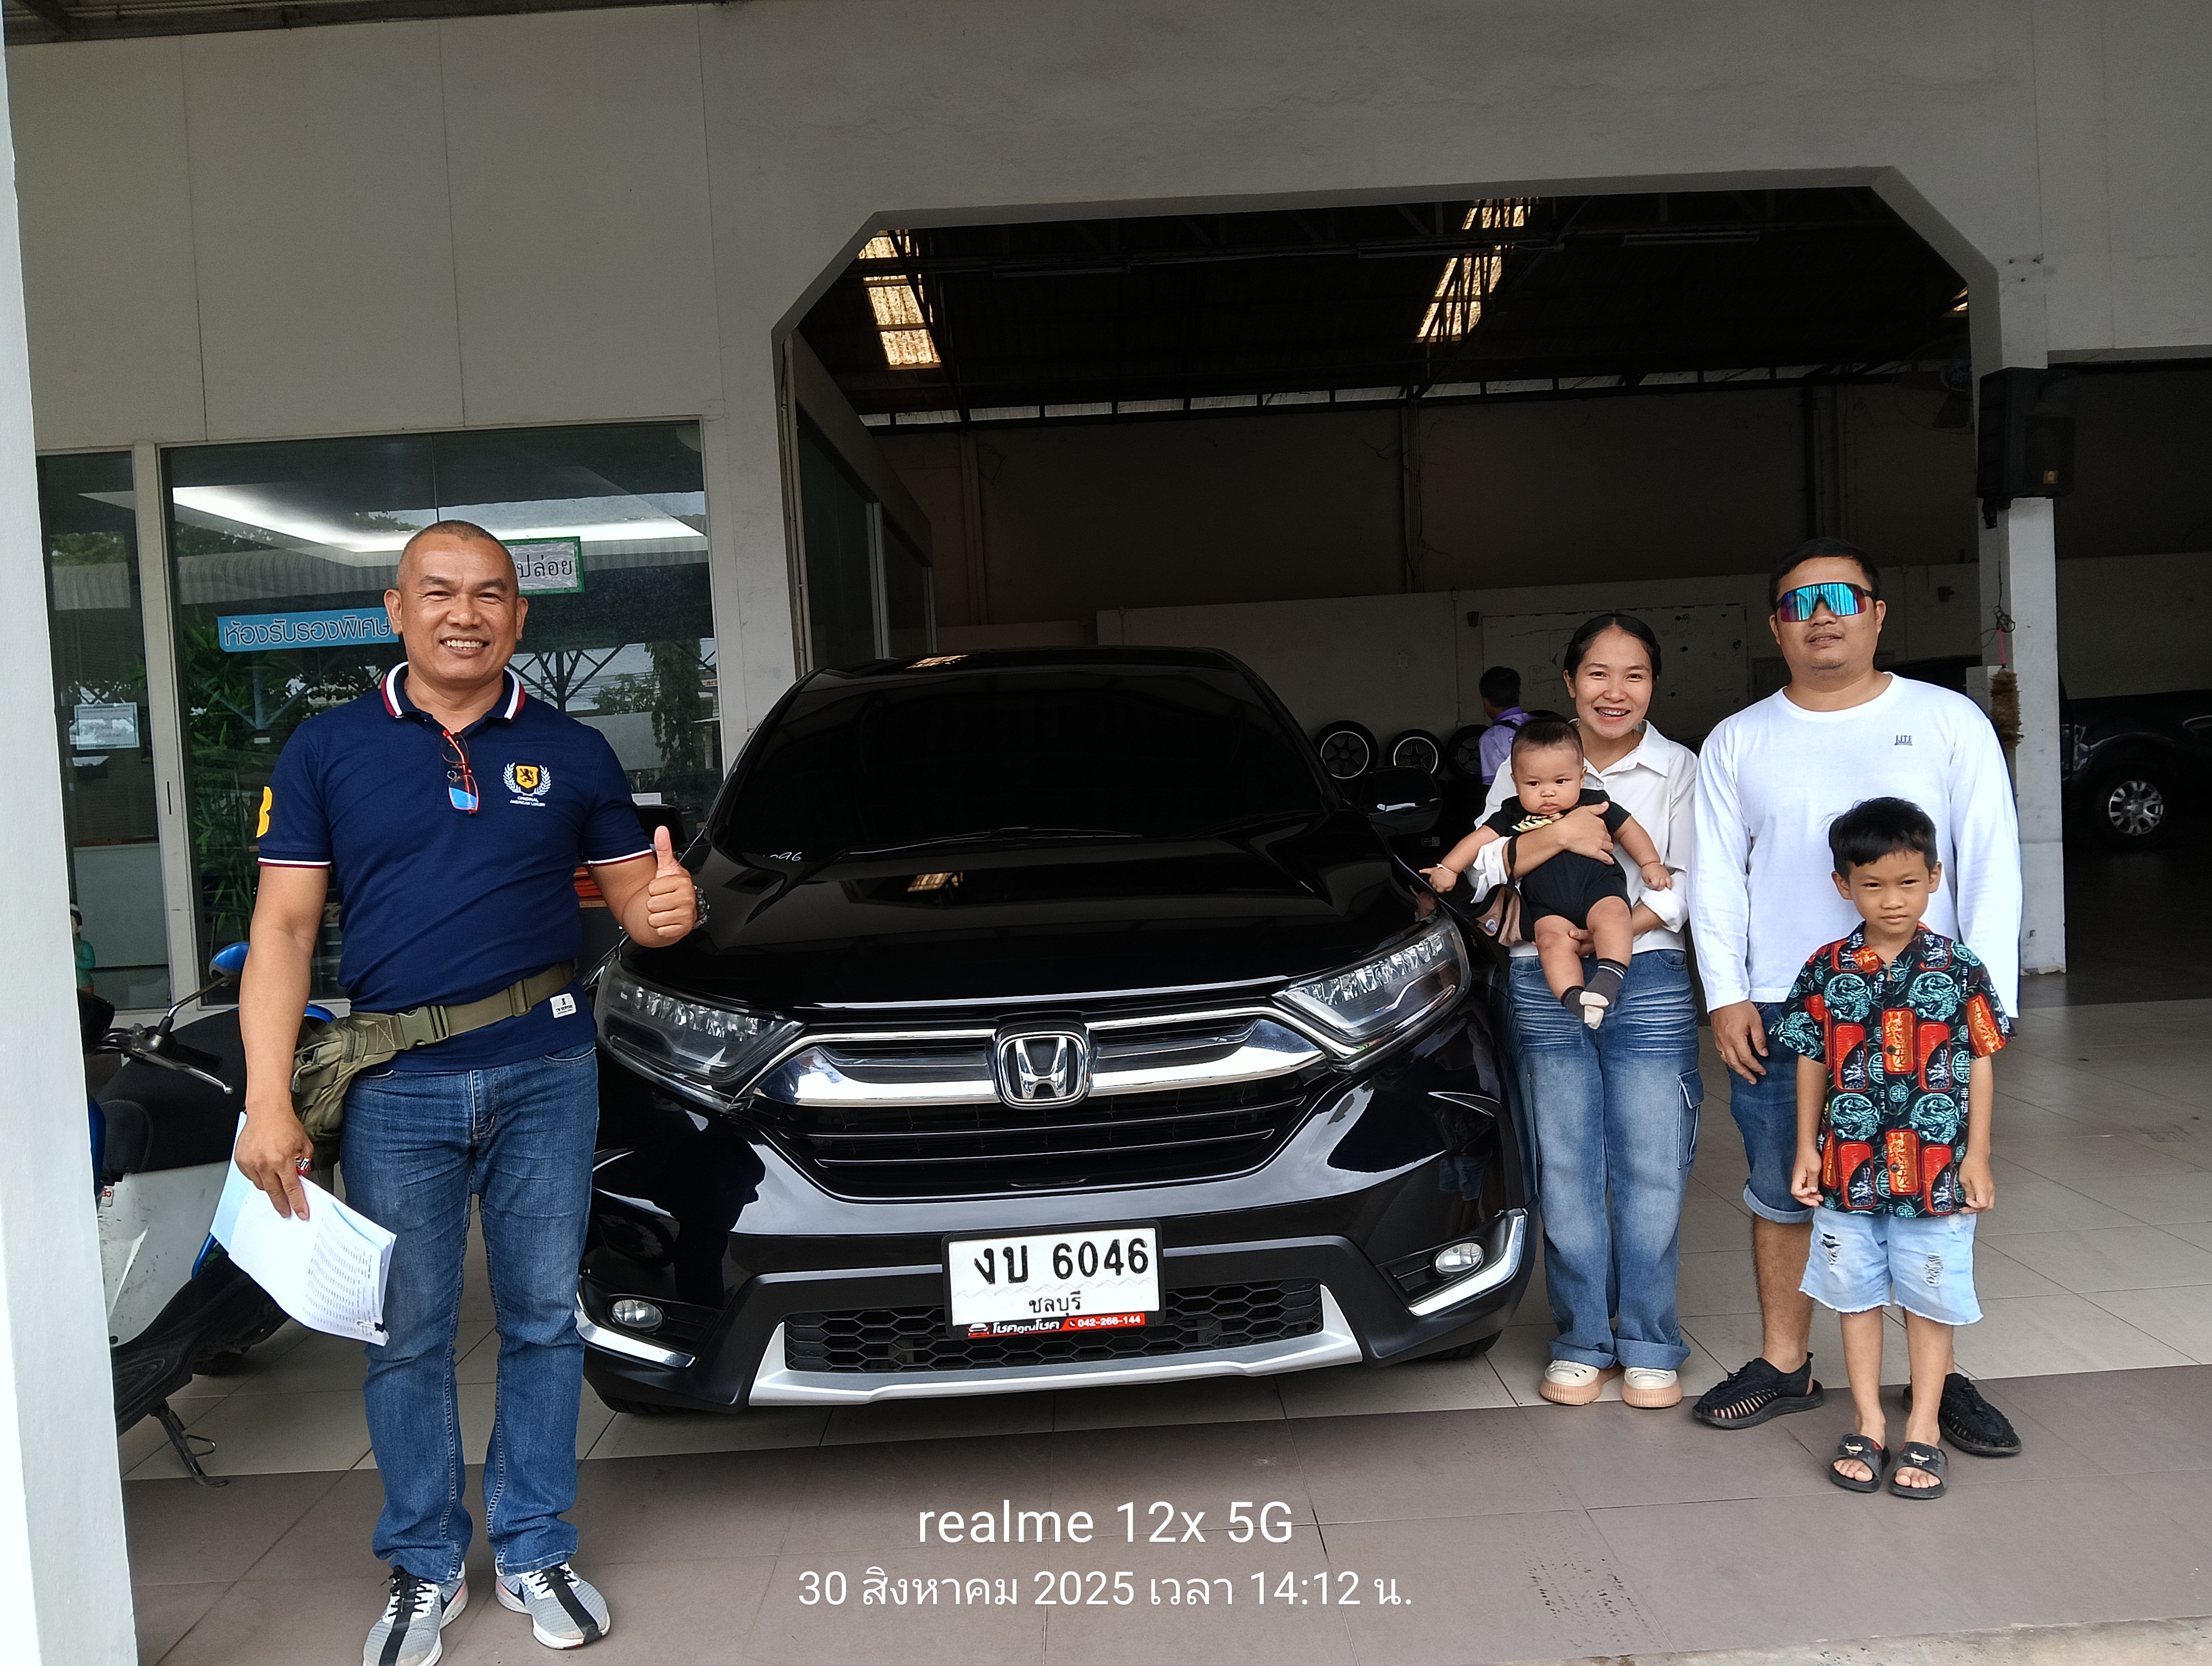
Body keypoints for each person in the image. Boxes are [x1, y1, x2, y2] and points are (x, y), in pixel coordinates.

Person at [232, 521, 699, 1666]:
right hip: (397, 1085)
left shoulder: (574, 750)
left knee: (541, 1318)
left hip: (549, 1074)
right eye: (438, 592)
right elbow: (283, 930)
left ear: (519, 617)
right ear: (397, 610)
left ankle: (535, 1545)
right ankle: (425, 1563)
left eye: (490, 594)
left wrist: (665, 911)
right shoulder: (328, 750)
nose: (465, 613)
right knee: (409, 1335)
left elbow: (636, 907)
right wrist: (267, 1098)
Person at [1689, 537, 2023, 1454]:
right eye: (1799, 603)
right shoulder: (1738, 739)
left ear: (1877, 613)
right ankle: (1784, 1362)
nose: (1821, 616)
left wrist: (1988, 1003)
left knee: (1931, 1191)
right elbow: (1715, 878)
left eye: (1841, 597)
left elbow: (1989, 859)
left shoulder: (1948, 720)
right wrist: (1726, 993)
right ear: (1776, 627)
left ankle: (1935, 1383)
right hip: (1785, 1009)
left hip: (1928, 1008)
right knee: (1784, 1185)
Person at [1439, 614, 1701, 1407]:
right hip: (1540, 975)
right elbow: (1485, 869)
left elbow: (1687, 880)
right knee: (1567, 1163)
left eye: (1634, 675)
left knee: (1651, 1163)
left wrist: (1612, 932)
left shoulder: (1677, 768)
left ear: (1654, 684)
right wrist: (1561, 836)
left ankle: (1649, 1339)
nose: (1615, 692)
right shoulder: (1526, 763)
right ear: (1570, 681)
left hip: (1646, 974)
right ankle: (1584, 1337)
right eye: (1598, 674)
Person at [1776, 797, 2008, 1499]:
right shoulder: (1828, 967)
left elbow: (1980, 1060)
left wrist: (1977, 1155)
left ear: (1934, 877)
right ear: (1843, 884)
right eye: (1873, 885)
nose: (1893, 900)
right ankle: (1870, 1422)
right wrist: (1807, 1148)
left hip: (1938, 1173)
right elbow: (1812, 1059)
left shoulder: (1959, 968)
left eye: (1908, 882)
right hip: (1848, 1167)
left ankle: (1925, 1427)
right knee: (1855, 1296)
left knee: (1930, 1298)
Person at [1428, 716, 1673, 1026]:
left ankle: (1608, 979)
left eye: (1561, 782)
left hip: (1599, 890)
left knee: (1615, 917)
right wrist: (1449, 867)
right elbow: (1478, 841)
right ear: (1516, 781)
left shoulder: (1594, 803)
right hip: (1545, 905)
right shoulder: (1512, 813)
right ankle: (1574, 999)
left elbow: (1629, 830)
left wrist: (1650, 863)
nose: (1548, 793)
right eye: (1534, 784)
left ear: (1581, 777)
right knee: (1550, 943)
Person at [1474, 665, 1529, 786]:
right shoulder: (1543, 725)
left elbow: (1495, 786)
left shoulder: (1491, 738)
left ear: (1486, 702)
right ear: (1518, 695)